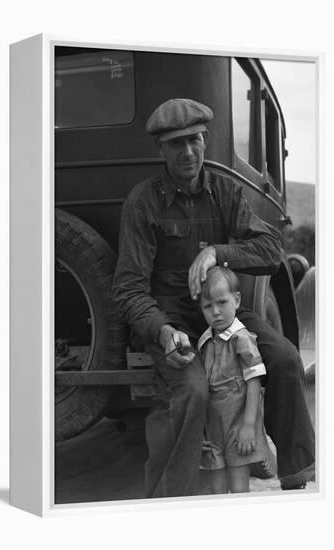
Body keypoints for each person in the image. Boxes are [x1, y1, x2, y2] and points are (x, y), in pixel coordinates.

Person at [112, 98, 315, 498]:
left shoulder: (226, 192)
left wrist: (218, 253)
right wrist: (164, 332)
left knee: (285, 356)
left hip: (223, 312)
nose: (188, 152)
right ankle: (172, 500)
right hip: (171, 320)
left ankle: (295, 471)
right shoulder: (143, 201)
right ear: (161, 149)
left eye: (195, 140)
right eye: (176, 144)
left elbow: (271, 251)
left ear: (205, 141)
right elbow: (128, 288)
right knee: (192, 390)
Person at [198, 266, 270, 494]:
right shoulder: (205, 341)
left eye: (222, 302)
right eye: (208, 306)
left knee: (239, 487)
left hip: (238, 424)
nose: (216, 312)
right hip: (212, 427)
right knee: (216, 486)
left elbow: (254, 381)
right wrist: (200, 431)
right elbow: (201, 388)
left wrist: (249, 425)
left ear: (237, 300)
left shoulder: (242, 339)